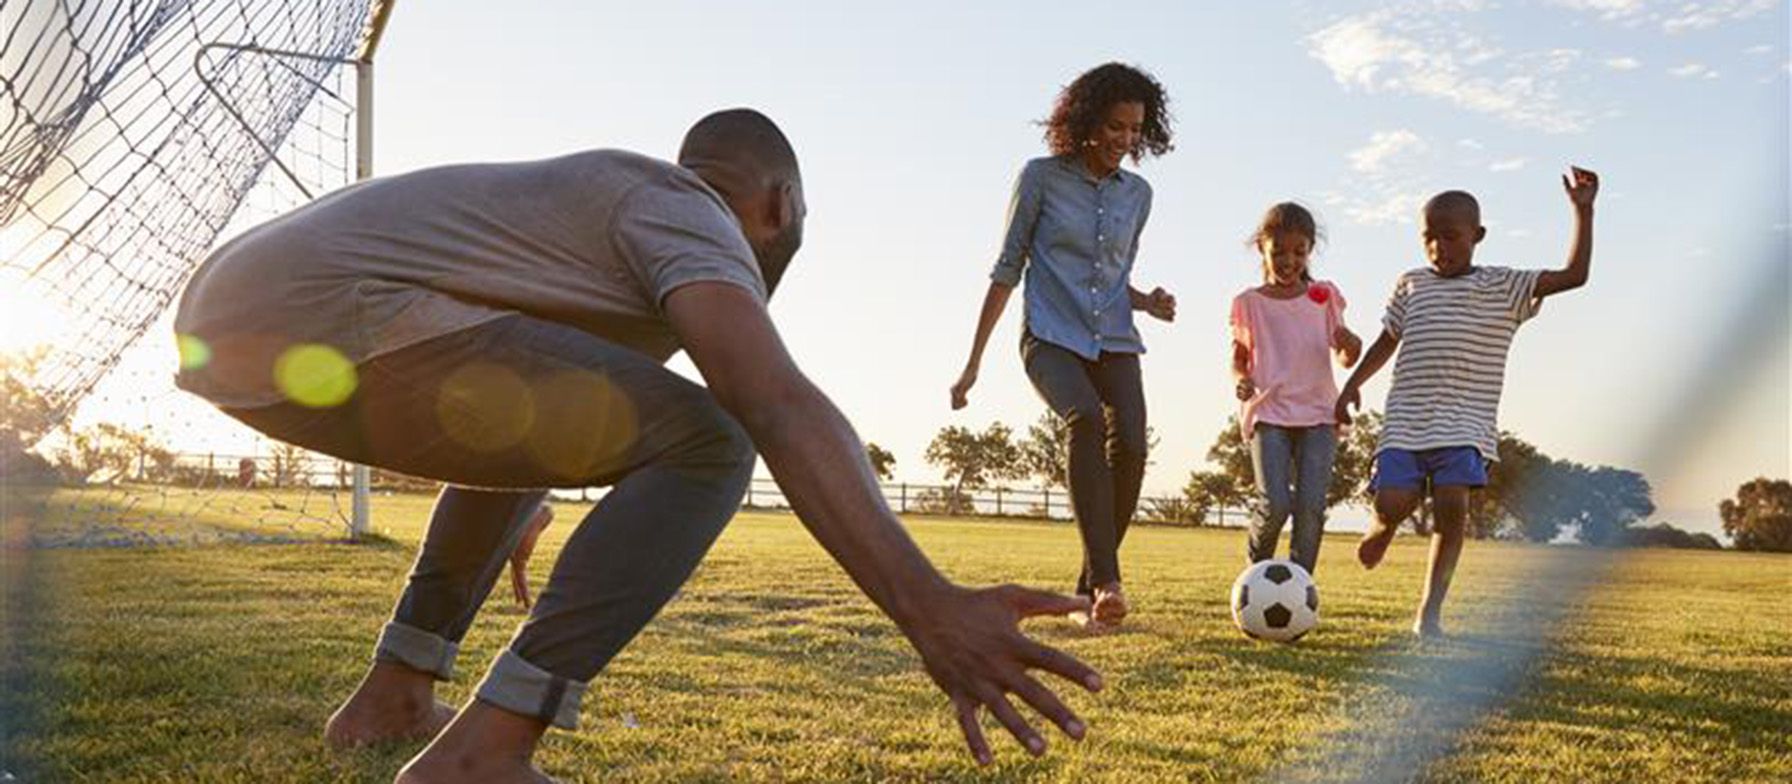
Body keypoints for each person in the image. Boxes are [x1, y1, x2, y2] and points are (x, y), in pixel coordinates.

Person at [172, 108, 1102, 783]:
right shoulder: (682, 206)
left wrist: (518, 489)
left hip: (242, 323)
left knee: (564, 423)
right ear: (779, 204)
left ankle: (393, 698)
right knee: (712, 439)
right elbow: (774, 401)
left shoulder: (603, 228)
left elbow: (517, 401)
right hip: (323, 312)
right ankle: (488, 752)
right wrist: (927, 604)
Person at [948, 63, 1176, 630]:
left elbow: (1111, 276)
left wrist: (1149, 302)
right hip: (1050, 335)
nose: (1126, 141)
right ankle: (1107, 581)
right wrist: (973, 362)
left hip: (1115, 337)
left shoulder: (1138, 195)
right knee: (1083, 420)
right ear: (1087, 122)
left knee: (1133, 443)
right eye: (1116, 127)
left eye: (1135, 129)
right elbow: (1007, 268)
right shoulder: (1040, 178)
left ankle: (1089, 588)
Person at [1335, 167, 1601, 638]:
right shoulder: (1411, 283)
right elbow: (1386, 339)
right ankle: (1381, 526)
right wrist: (1353, 383)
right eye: (1429, 238)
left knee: (1452, 506)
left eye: (1451, 237)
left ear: (1477, 236)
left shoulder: (1504, 286)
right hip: (1407, 420)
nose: (1439, 248)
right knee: (1394, 502)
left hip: (1465, 423)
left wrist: (1583, 211)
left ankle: (1430, 612)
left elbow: (1574, 276)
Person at [1229, 203, 1361, 576]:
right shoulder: (1249, 303)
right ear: (1262, 249)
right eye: (1279, 252)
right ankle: (1255, 579)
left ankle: (1299, 585)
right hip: (1269, 412)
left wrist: (1352, 344)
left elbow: (1345, 356)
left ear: (1309, 250)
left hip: (1319, 413)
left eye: (1298, 252)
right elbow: (1238, 357)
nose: (1289, 261)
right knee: (1275, 505)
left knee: (1310, 506)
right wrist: (1241, 379)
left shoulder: (1323, 297)